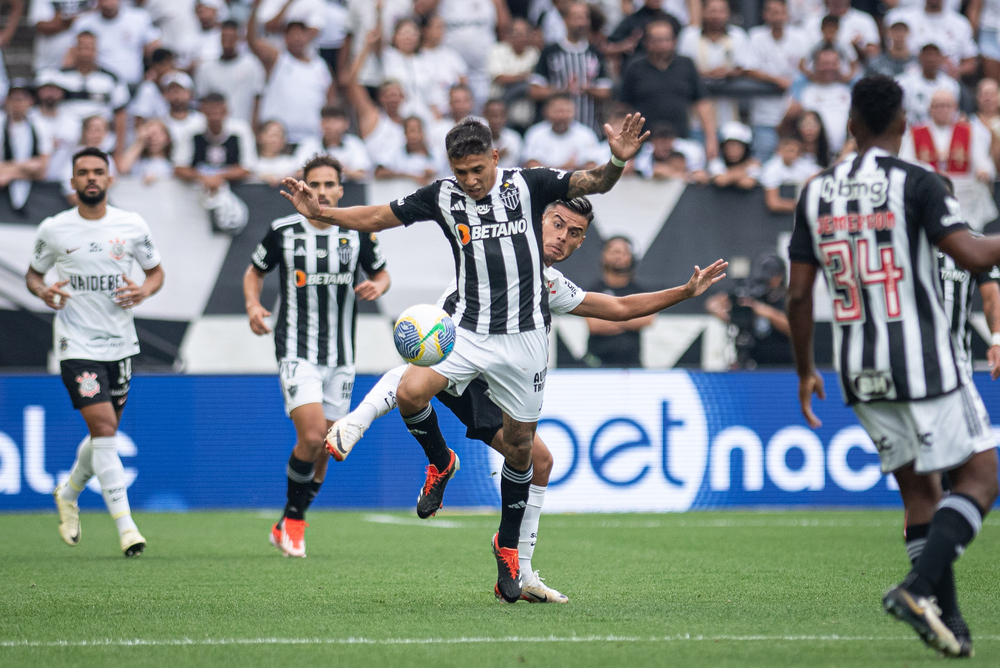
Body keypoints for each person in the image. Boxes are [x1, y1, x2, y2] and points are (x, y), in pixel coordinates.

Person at [279, 111, 650, 603]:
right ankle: (440, 462)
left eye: (479, 170)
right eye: (462, 173)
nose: (471, 182)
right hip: (468, 342)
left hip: (518, 354)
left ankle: (517, 559)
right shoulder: (445, 201)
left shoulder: (534, 209)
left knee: (533, 456)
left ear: (496, 158)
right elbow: (375, 218)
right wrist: (323, 214)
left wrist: (617, 162)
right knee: (413, 388)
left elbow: (597, 186)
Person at [327, 196, 727, 601]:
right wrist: (354, 420)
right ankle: (414, 449)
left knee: (539, 461)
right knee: (412, 387)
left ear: (581, 242)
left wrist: (685, 291)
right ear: (535, 222)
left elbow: (620, 307)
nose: (562, 237)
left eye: (574, 233)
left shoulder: (549, 284)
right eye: (557, 223)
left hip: (491, 387)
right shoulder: (485, 253)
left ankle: (524, 569)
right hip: (454, 358)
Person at [786, 74, 1000, 658]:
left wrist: (806, 368)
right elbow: (973, 254)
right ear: (904, 126)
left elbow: (799, 295)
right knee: (981, 478)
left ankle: (949, 623)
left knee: (920, 495)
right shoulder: (918, 182)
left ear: (850, 125)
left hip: (858, 369)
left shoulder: (814, 192)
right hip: (925, 360)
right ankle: (917, 587)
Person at [245, 155, 389, 558]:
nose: (322, 192)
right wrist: (254, 306)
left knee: (326, 447)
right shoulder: (283, 231)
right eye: (315, 184)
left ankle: (287, 521)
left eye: (330, 185)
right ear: (303, 188)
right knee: (310, 436)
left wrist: (378, 285)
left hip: (341, 355)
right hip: (296, 348)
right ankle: (294, 521)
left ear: (341, 190)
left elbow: (381, 272)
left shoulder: (357, 233)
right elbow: (255, 271)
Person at [29, 146, 164, 558]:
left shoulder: (131, 225)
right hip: (77, 345)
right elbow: (35, 275)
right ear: (72, 182)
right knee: (105, 429)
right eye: (83, 172)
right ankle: (127, 529)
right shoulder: (54, 229)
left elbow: (156, 272)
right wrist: (44, 291)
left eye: (98, 171)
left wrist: (143, 290)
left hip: (120, 343)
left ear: (110, 178)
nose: (90, 178)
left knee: (102, 433)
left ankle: (69, 493)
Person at [619, 19, 718, 160]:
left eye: (667, 39)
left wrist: (711, 139)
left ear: (674, 41)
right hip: (644, 144)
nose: (663, 44)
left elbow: (702, 103)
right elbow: (624, 108)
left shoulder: (686, 65)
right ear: (646, 42)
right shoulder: (634, 67)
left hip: (681, 141)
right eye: (657, 40)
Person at [900, 89, 997, 231]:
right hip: (929, 192)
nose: (942, 110)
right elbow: (906, 163)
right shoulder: (915, 133)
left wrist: (984, 171)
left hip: (964, 195)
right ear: (930, 109)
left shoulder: (970, 131)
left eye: (947, 106)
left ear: (955, 107)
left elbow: (983, 161)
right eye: (938, 106)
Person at [249, 0, 334, 146]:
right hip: (277, 141)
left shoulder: (320, 66)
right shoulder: (277, 59)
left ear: (308, 36)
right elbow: (252, 41)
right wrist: (255, 8)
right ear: (285, 38)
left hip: (311, 140)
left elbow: (330, 101)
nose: (297, 38)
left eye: (301, 34)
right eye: (292, 34)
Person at [173, 93, 256, 234]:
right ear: (202, 112)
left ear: (227, 112)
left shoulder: (240, 130)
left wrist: (219, 177)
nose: (215, 117)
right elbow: (179, 167)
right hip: (197, 197)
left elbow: (248, 167)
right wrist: (202, 178)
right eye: (210, 112)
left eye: (219, 112)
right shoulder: (192, 131)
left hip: (235, 194)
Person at [529, 1, 613, 136]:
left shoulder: (595, 53)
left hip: (590, 129)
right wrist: (563, 89)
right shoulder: (550, 52)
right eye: (576, 18)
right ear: (565, 20)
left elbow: (606, 91)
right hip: (553, 133)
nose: (581, 23)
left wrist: (587, 89)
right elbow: (535, 91)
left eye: (585, 18)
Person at [745, 0, 810, 161]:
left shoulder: (800, 37)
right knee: (764, 161)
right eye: (773, 12)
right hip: (764, 117)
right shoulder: (756, 36)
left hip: (793, 116)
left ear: (787, 14)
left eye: (781, 12)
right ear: (765, 15)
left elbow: (806, 70)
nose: (778, 17)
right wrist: (776, 79)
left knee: (795, 163)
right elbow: (749, 69)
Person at [49, 31, 130, 156]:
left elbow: (120, 115)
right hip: (66, 140)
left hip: (100, 138)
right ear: (75, 49)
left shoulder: (111, 79)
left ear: (97, 50)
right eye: (82, 47)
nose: (86, 52)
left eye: (90, 48)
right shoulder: (59, 77)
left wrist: (119, 153)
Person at [706, 253, 791, 368]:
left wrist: (760, 309)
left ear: (780, 277)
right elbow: (713, 303)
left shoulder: (788, 299)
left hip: (783, 367)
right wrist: (726, 314)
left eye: (770, 278)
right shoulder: (754, 294)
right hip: (754, 364)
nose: (766, 283)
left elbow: (793, 329)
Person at [677, 0, 750, 132]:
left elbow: (745, 67)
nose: (717, 16)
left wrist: (728, 73)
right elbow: (681, 69)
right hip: (695, 120)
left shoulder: (738, 36)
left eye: (721, 11)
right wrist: (707, 74)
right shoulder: (689, 36)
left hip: (729, 118)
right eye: (712, 11)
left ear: (728, 13)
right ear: (703, 12)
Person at [585, 236, 655, 367]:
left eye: (624, 252)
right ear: (604, 255)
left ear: (631, 257)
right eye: (614, 251)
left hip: (631, 365)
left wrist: (608, 316)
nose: (619, 256)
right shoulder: (594, 291)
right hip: (597, 365)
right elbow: (595, 325)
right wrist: (630, 315)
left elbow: (647, 319)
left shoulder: (639, 291)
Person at [194, 19, 267, 127]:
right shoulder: (206, 68)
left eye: (231, 37)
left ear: (239, 38)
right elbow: (202, 102)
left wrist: (254, 129)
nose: (227, 41)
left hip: (243, 126)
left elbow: (257, 99)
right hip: (215, 130)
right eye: (224, 37)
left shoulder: (252, 64)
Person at [73, 0, 162, 87]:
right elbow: (72, 54)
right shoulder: (84, 23)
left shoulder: (139, 17)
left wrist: (153, 71)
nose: (108, 3)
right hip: (101, 86)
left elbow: (155, 47)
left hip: (135, 85)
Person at [884, 0, 978, 79]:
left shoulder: (961, 23)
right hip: (912, 77)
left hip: (948, 79)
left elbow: (970, 63)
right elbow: (892, 52)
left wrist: (957, 70)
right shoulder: (906, 20)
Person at [0, 80, 53, 210]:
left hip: (33, 193)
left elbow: (42, 170)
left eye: (22, 98)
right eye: (14, 98)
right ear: (7, 100)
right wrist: (27, 165)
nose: (18, 103)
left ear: (30, 101)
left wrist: (9, 174)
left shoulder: (41, 126)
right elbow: (35, 166)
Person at [523, 92, 607, 170]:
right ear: (546, 111)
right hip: (544, 184)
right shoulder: (535, 133)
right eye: (558, 111)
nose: (563, 116)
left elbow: (592, 165)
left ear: (575, 111)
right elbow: (531, 165)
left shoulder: (586, 134)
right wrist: (563, 168)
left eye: (567, 111)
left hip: (576, 183)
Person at [792, 48, 851, 153]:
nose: (829, 67)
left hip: (844, 154)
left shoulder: (848, 89)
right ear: (815, 65)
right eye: (824, 63)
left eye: (833, 63)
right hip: (812, 157)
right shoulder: (802, 89)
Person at [294, 105, 372, 182]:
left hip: (349, 191)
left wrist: (336, 170)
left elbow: (363, 174)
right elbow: (299, 173)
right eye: (326, 120)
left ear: (346, 123)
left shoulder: (354, 144)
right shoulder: (309, 144)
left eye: (335, 120)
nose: (330, 125)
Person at [486, 17, 539, 131]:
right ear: (509, 34)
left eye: (525, 33)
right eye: (518, 33)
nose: (521, 37)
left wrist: (516, 79)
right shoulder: (498, 50)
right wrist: (524, 77)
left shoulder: (534, 53)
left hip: (526, 119)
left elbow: (538, 84)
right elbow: (500, 78)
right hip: (501, 121)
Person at [896, 43, 961, 128]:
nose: (931, 59)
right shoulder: (905, 83)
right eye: (927, 55)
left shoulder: (951, 85)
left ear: (941, 58)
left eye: (935, 55)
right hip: (912, 131)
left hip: (942, 132)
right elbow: (901, 112)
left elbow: (954, 114)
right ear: (920, 58)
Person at [760, 134, 819, 213]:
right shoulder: (771, 169)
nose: (793, 154)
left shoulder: (801, 163)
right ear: (779, 151)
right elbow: (773, 203)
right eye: (790, 150)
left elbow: (821, 172)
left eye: (797, 151)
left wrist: (811, 180)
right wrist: (804, 206)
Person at [376, 116, 440, 185]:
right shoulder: (396, 152)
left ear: (422, 132)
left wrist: (432, 175)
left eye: (414, 131)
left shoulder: (437, 153)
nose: (411, 136)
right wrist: (410, 177)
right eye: (407, 132)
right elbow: (379, 172)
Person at [30, 0, 90, 74]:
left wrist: (62, 21)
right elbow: (41, 27)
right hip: (48, 68)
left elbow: (99, 12)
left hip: (85, 70)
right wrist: (75, 20)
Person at [116, 118, 173, 184]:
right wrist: (140, 142)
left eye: (157, 134)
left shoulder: (171, 164)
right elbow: (122, 168)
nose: (153, 139)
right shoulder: (138, 162)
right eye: (149, 136)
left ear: (167, 138)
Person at [708, 121, 760, 189]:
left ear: (746, 149)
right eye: (729, 146)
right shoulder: (716, 163)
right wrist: (744, 168)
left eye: (738, 147)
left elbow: (747, 183)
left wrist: (728, 176)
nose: (733, 150)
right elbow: (720, 180)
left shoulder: (753, 163)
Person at [254, 119, 300, 186]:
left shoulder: (292, 163)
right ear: (260, 136)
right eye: (273, 135)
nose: (277, 140)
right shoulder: (251, 163)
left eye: (281, 135)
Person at [483, 98, 524, 168]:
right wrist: (497, 156)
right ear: (485, 116)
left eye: (501, 116)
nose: (497, 121)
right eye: (493, 116)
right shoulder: (477, 139)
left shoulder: (514, 139)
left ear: (506, 117)